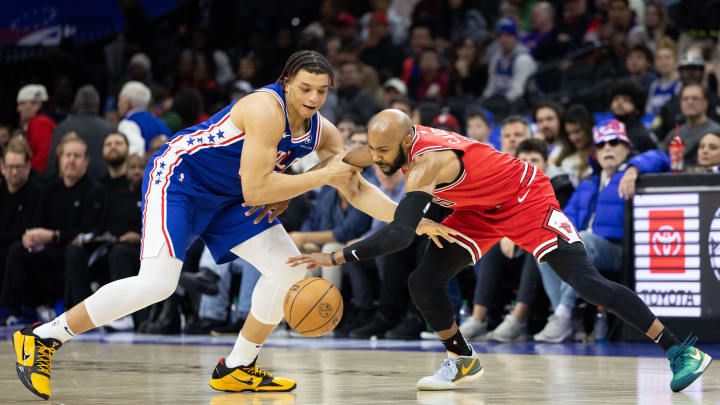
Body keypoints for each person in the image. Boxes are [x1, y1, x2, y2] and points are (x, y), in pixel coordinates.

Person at [12, 51, 424, 399]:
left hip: (230, 197)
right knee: (157, 283)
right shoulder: (265, 109)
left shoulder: (322, 131)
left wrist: (410, 218)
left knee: (290, 270)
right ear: (285, 83)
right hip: (182, 181)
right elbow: (260, 187)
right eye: (305, 88)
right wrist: (312, 179)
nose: (314, 98)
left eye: (322, 90)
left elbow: (353, 187)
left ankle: (238, 365)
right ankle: (44, 336)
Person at [288, 109, 712, 392]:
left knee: (586, 283)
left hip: (526, 198)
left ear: (408, 139)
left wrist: (336, 257)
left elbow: (400, 234)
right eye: (374, 149)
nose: (378, 159)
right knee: (423, 282)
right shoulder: (388, 144)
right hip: (476, 208)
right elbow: (350, 158)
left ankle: (680, 349)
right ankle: (462, 358)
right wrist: (299, 178)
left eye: (384, 151)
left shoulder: (425, 164)